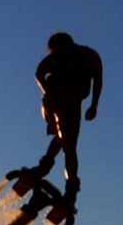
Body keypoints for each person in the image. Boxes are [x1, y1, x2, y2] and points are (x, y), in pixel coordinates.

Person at [26, 32, 102, 205]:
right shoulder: (90, 54)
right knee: (68, 144)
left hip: (61, 100)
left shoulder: (65, 55)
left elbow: (39, 72)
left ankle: (49, 171)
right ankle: (70, 187)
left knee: (64, 138)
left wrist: (47, 90)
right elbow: (98, 79)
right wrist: (93, 105)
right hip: (66, 100)